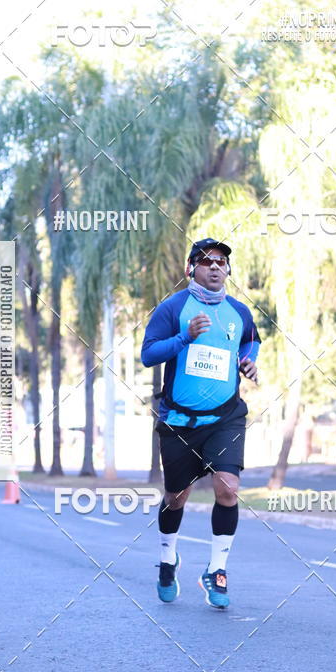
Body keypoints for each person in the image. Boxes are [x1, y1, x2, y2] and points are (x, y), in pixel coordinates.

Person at [141, 238, 260, 609]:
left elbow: (251, 341)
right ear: (191, 268)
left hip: (226, 418)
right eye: (206, 261)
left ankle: (217, 570)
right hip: (178, 422)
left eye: (221, 262)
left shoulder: (239, 312)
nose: (214, 267)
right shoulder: (173, 307)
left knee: (228, 489)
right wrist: (184, 337)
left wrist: (247, 361)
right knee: (176, 498)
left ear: (227, 271)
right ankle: (167, 557)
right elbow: (148, 354)